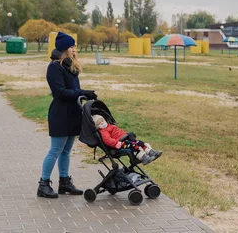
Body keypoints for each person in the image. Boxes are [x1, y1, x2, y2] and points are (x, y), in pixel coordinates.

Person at [37, 32, 98, 198]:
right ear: (64, 48)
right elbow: (60, 92)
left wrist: (83, 94)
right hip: (60, 114)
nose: (74, 50)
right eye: (71, 47)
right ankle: (43, 183)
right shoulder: (54, 67)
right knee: (55, 150)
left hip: (72, 112)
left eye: (74, 47)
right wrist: (82, 92)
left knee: (66, 151)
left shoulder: (69, 66)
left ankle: (64, 182)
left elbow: (73, 90)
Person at [91, 115, 162, 165]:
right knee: (134, 146)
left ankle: (151, 152)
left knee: (140, 142)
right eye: (99, 123)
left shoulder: (111, 126)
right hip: (120, 144)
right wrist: (116, 143)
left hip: (125, 139)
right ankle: (144, 158)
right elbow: (108, 140)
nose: (102, 123)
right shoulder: (104, 132)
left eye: (102, 121)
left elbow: (120, 132)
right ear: (97, 126)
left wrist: (127, 135)